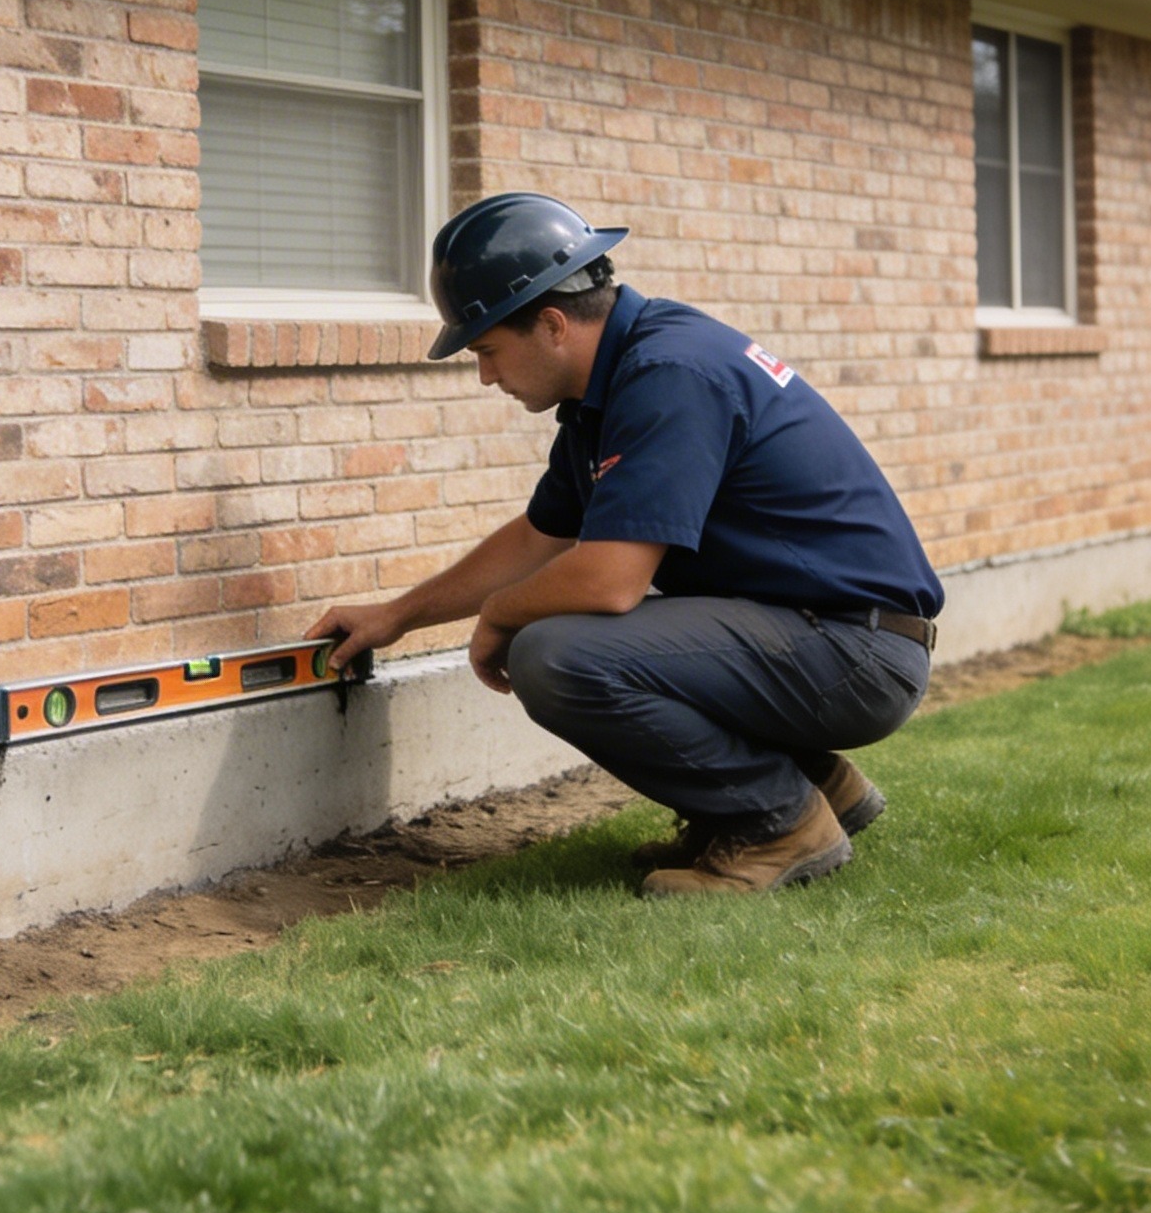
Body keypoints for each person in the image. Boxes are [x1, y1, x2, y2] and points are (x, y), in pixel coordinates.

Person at [307, 192, 944, 895]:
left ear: (551, 323)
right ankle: (818, 785)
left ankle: (779, 824)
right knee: (564, 633)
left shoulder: (669, 374)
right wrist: (394, 616)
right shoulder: (612, 384)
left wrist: (499, 615)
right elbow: (541, 536)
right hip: (822, 634)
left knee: (556, 654)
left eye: (487, 349)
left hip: (856, 653)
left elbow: (608, 582)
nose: (485, 375)